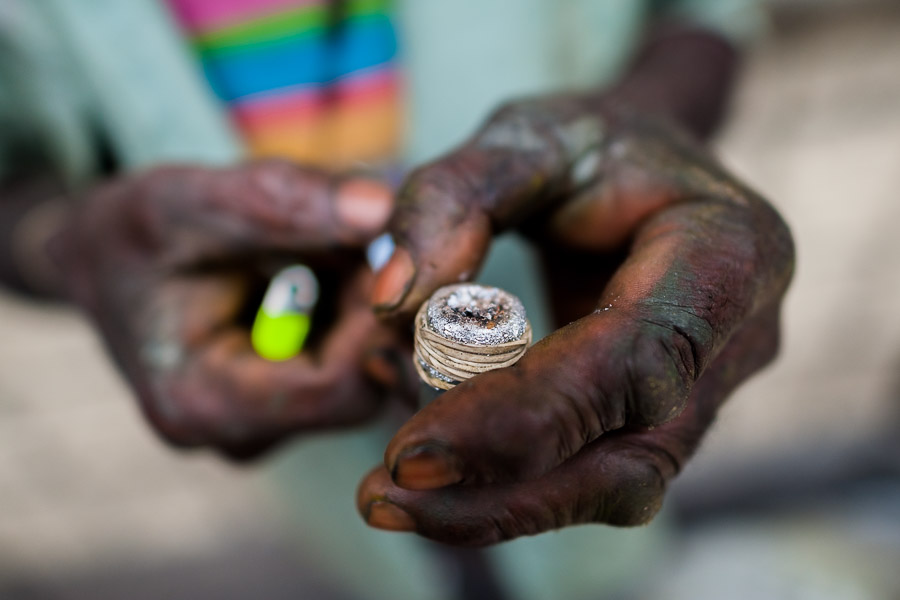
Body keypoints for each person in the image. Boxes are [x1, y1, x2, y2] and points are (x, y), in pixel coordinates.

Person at [0, 1, 794, 598]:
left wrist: (653, 116)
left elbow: (703, 15)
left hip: (581, 389)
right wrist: (67, 242)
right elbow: (15, 178)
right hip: (326, 482)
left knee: (592, 549)